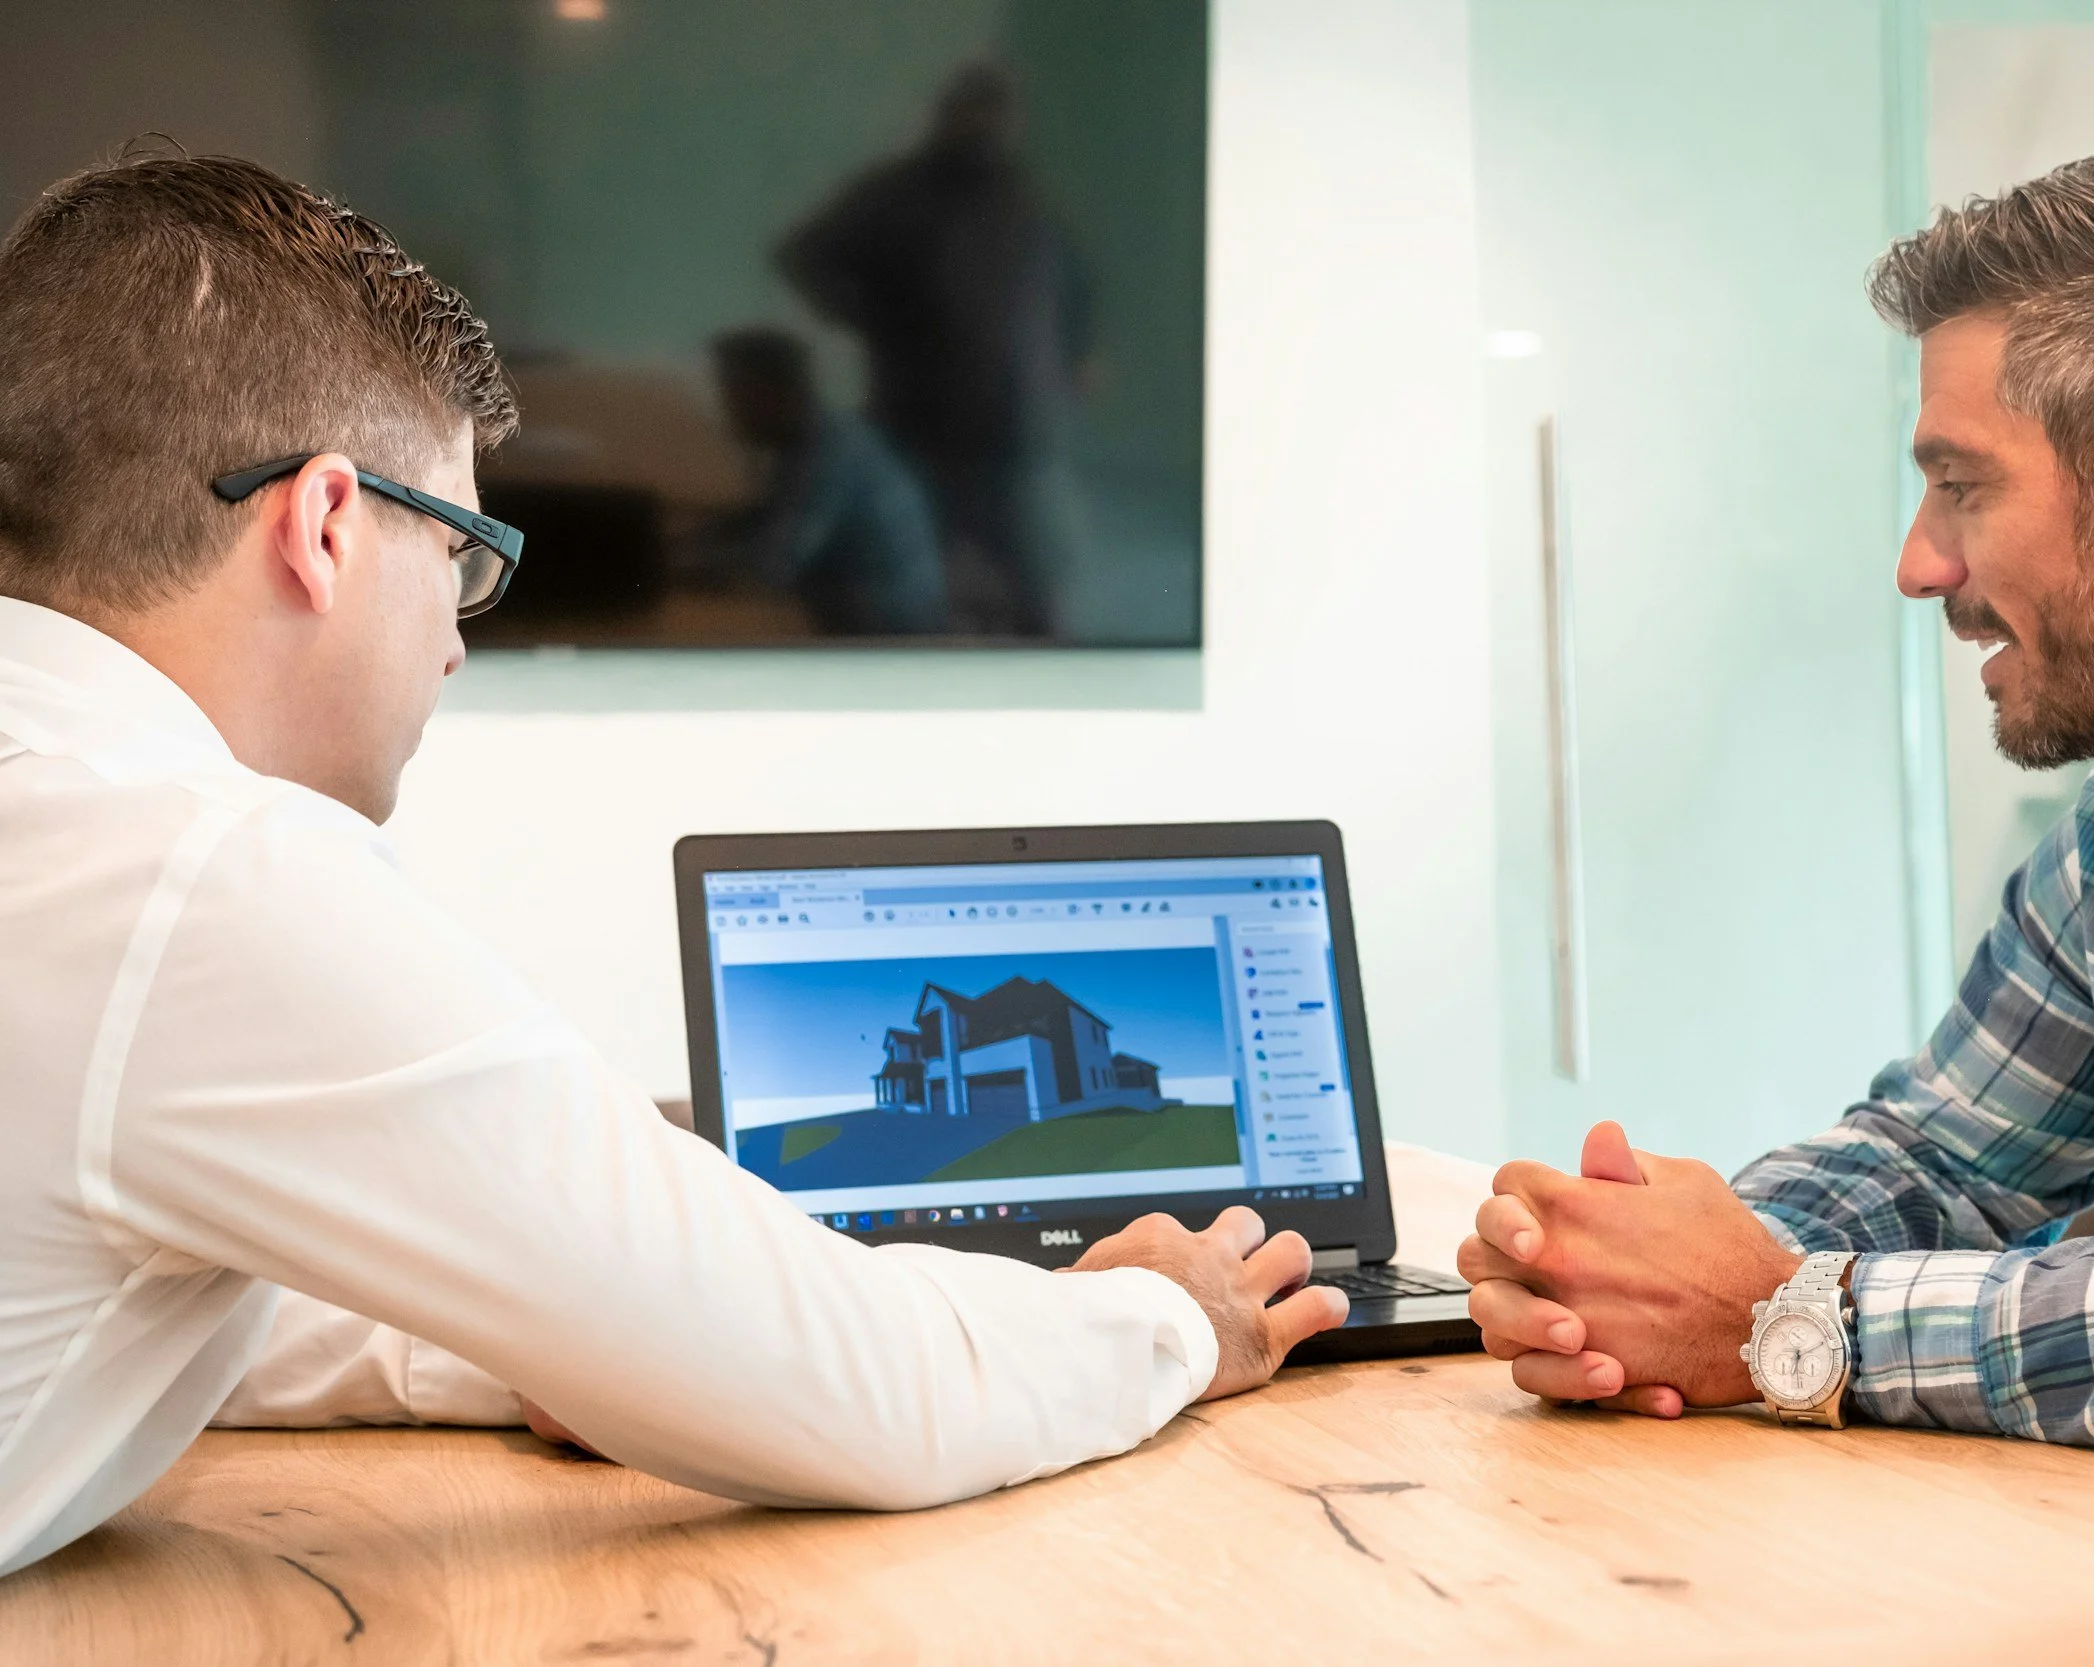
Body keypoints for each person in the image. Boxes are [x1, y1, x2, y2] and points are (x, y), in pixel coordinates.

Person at [0, 154, 1344, 1580]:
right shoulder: (199, 874)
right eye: (457, 553)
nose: (459, 635)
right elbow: (864, 1390)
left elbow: (146, 1271)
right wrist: (1167, 1314)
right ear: (326, 526)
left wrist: (574, 1330)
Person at [1462, 134, 2094, 1462]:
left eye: (1961, 483)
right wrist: (1617, 1265)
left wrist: (1795, 1319)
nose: (1917, 562)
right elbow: (1944, 1160)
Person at [777, 61, 1093, 638]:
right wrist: (872, 317)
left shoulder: (1019, 199)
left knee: (1032, 584)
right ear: (946, 115)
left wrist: (1076, 357)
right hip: (920, 422)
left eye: (996, 113)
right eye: (970, 110)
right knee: (913, 577)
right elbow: (804, 255)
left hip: (1010, 427)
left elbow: (1069, 284)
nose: (984, 124)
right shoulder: (896, 194)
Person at [701, 326, 948, 636]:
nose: (729, 412)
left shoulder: (830, 457)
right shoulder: (814, 439)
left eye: (736, 394)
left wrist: (685, 568)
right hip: (867, 623)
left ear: (775, 393)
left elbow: (774, 566)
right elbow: (771, 520)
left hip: (890, 639)